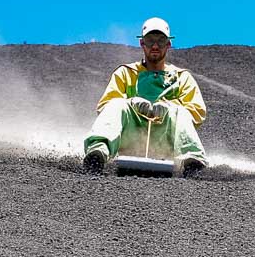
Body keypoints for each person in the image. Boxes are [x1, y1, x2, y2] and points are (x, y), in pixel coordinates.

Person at [82, 17, 208, 174]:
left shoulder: (182, 78)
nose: (155, 46)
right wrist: (131, 102)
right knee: (116, 104)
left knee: (180, 111)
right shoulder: (126, 73)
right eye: (150, 40)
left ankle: (193, 164)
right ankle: (96, 156)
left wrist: (170, 107)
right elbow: (105, 105)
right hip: (130, 136)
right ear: (142, 43)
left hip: (166, 138)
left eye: (161, 41)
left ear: (168, 44)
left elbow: (197, 111)